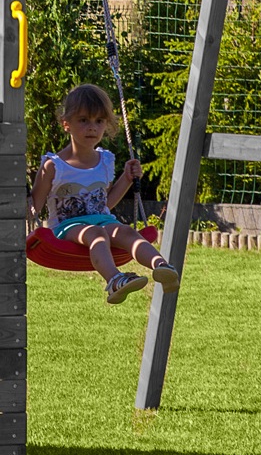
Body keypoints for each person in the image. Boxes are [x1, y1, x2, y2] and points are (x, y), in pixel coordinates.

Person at [31, 83, 180, 304]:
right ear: (66, 124)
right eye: (84, 120)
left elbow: (105, 202)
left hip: (101, 219)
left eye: (99, 121)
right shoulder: (54, 165)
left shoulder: (105, 160)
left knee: (127, 233)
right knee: (97, 234)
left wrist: (127, 179)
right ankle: (114, 281)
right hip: (66, 227)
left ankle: (161, 266)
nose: (92, 127)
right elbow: (35, 204)